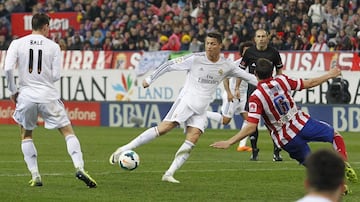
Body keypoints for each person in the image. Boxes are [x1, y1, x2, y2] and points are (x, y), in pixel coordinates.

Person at [109, 31, 258, 183]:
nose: (209, 47)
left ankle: (169, 173)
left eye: (213, 44)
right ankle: (123, 149)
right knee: (164, 128)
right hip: (186, 101)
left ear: (220, 45)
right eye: (207, 43)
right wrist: (150, 78)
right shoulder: (195, 59)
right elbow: (169, 65)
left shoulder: (226, 65)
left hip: (201, 108)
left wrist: (271, 86)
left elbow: (250, 77)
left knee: (193, 138)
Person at [210, 58, 358, 192]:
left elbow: (251, 126)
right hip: (302, 123)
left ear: (255, 74)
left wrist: (229, 142)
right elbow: (310, 83)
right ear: (272, 71)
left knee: (314, 166)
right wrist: (330, 74)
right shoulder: (282, 80)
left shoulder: (256, 96)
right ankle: (342, 161)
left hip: (286, 139)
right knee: (335, 135)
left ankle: (339, 186)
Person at [4, 13, 97, 188]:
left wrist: (13, 91)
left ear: (32, 25)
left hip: (26, 95)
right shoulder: (53, 47)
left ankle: (36, 175)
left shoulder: (17, 43)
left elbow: (8, 68)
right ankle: (79, 167)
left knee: (26, 134)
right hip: (48, 95)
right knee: (68, 132)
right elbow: (55, 76)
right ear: (46, 26)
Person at [238, 29, 284, 161]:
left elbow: (279, 68)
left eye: (263, 36)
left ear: (267, 38)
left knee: (274, 120)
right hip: (253, 90)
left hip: (270, 91)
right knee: (252, 121)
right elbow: (240, 71)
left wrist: (279, 83)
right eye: (259, 36)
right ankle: (254, 150)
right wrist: (236, 87)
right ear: (255, 38)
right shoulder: (249, 53)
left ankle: (276, 151)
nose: (261, 38)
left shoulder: (274, 53)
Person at [206, 41, 254, 152]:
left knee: (249, 119)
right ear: (241, 52)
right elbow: (225, 77)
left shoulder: (253, 64)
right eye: (245, 51)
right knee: (225, 121)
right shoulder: (236, 64)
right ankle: (201, 113)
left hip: (243, 96)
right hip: (233, 94)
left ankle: (242, 145)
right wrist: (228, 93)